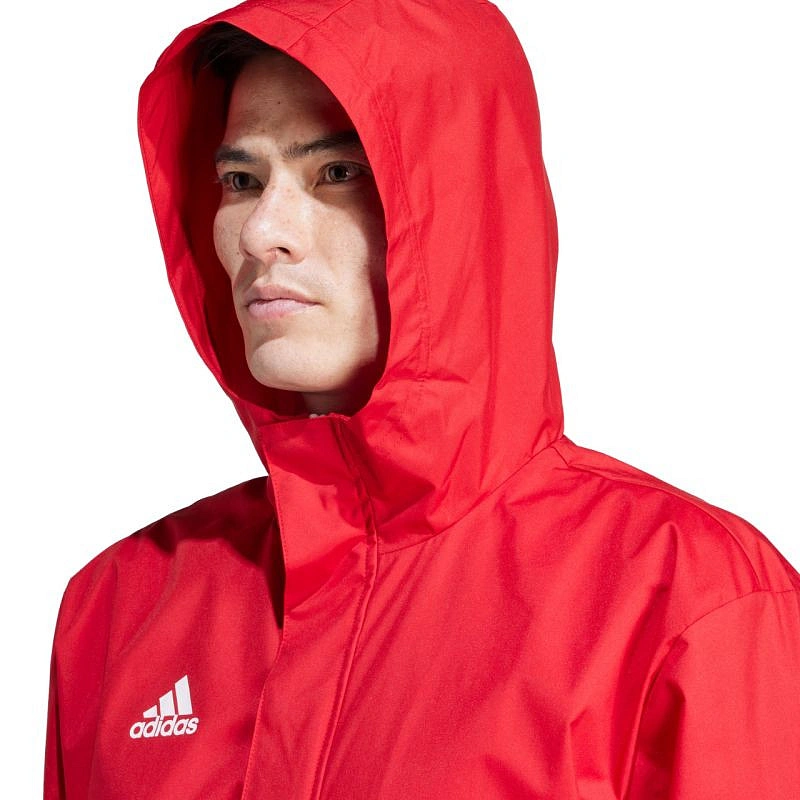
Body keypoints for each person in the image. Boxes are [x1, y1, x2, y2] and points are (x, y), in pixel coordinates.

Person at [45, 1, 800, 797]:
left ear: (462, 202)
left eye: (338, 173)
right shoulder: (121, 608)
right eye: (241, 181)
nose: (263, 233)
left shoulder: (684, 597)